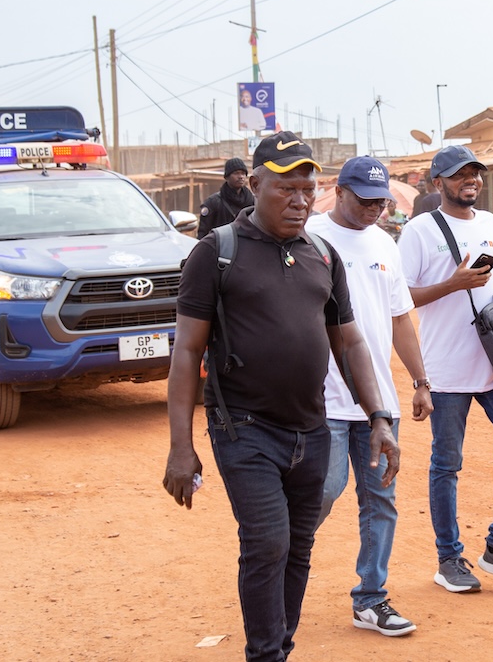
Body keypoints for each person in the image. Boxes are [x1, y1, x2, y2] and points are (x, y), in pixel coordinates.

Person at [162, 131, 400, 662]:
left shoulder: (322, 255)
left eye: (307, 190)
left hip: (311, 429)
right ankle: (265, 654)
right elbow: (186, 353)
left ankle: (280, 648)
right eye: (285, 189)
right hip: (243, 428)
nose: (299, 201)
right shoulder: (216, 253)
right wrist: (181, 447)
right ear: (255, 185)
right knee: (267, 541)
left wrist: (379, 416)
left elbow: (350, 342)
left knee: (297, 547)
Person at [399, 146, 493, 594]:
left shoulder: (489, 223)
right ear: (438, 182)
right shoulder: (419, 231)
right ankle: (449, 559)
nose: (471, 180)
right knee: (446, 464)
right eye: (461, 174)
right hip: (445, 369)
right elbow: (400, 298)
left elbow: (490, 287)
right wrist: (452, 284)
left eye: (476, 173)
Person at [307, 156, 431, 638]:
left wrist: (420, 382)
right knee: (323, 489)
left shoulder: (385, 243)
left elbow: (400, 318)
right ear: (339, 192)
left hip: (378, 404)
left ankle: (371, 598)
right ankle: (280, 561)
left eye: (381, 202)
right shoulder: (309, 236)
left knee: (381, 500)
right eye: (365, 201)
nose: (375, 210)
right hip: (324, 398)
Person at [197, 157, 255, 239]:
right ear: (227, 177)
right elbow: (203, 233)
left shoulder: (252, 200)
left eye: (243, 173)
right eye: (236, 173)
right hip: (222, 243)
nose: (241, 177)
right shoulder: (213, 202)